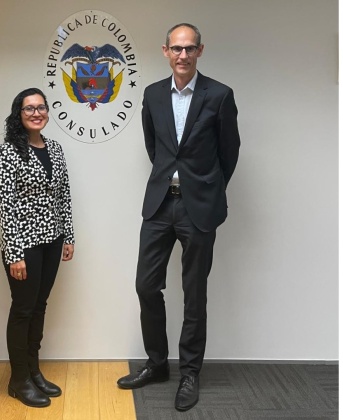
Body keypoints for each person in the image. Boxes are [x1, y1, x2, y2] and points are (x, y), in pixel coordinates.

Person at [116, 23, 241, 412]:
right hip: (159, 205)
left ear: (200, 52)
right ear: (165, 51)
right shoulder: (153, 94)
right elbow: (156, 147)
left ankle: (189, 372)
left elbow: (229, 152)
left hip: (198, 208)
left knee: (194, 293)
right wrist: (173, 180)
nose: (183, 55)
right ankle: (157, 364)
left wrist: (204, 190)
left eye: (190, 49)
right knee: (146, 286)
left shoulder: (219, 95)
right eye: (176, 49)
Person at [0, 87, 75, 408]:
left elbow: (64, 195)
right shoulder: (7, 152)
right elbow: (6, 205)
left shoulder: (55, 148)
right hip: (23, 245)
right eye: (29, 109)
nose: (36, 113)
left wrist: (68, 236)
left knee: (40, 306)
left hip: (52, 241)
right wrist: (14, 253)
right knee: (23, 309)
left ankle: (34, 371)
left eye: (41, 107)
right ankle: (18, 380)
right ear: (19, 114)